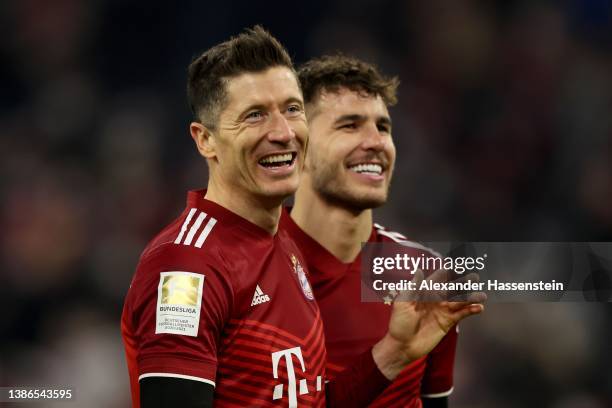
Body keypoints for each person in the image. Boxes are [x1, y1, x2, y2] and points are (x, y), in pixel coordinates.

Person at [122, 27, 484, 408]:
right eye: (255, 115)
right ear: (205, 139)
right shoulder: (188, 265)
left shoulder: (282, 246)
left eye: (292, 109)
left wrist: (393, 353)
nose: (282, 132)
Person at [281, 54, 467, 407]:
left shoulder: (424, 275)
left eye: (383, 127)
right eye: (350, 125)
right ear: (297, 148)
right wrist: (392, 355)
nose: (376, 142)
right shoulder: (244, 270)